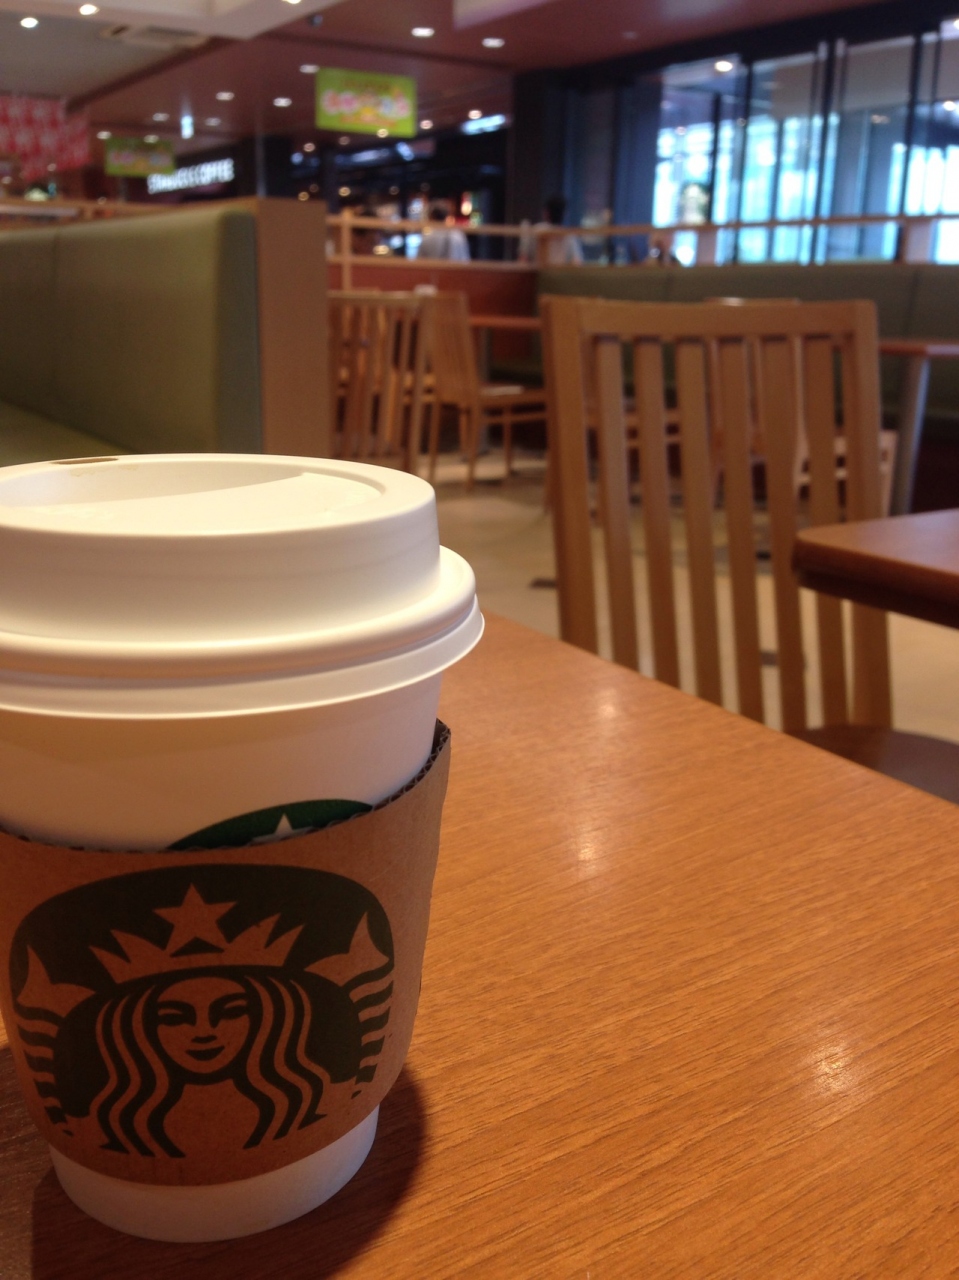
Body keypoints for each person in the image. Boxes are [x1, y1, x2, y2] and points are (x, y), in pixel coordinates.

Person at [534, 195, 583, 265]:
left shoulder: (536, 230)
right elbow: (577, 262)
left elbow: (524, 259)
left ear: (546, 212)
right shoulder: (569, 236)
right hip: (561, 272)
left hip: (538, 271)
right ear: (565, 213)